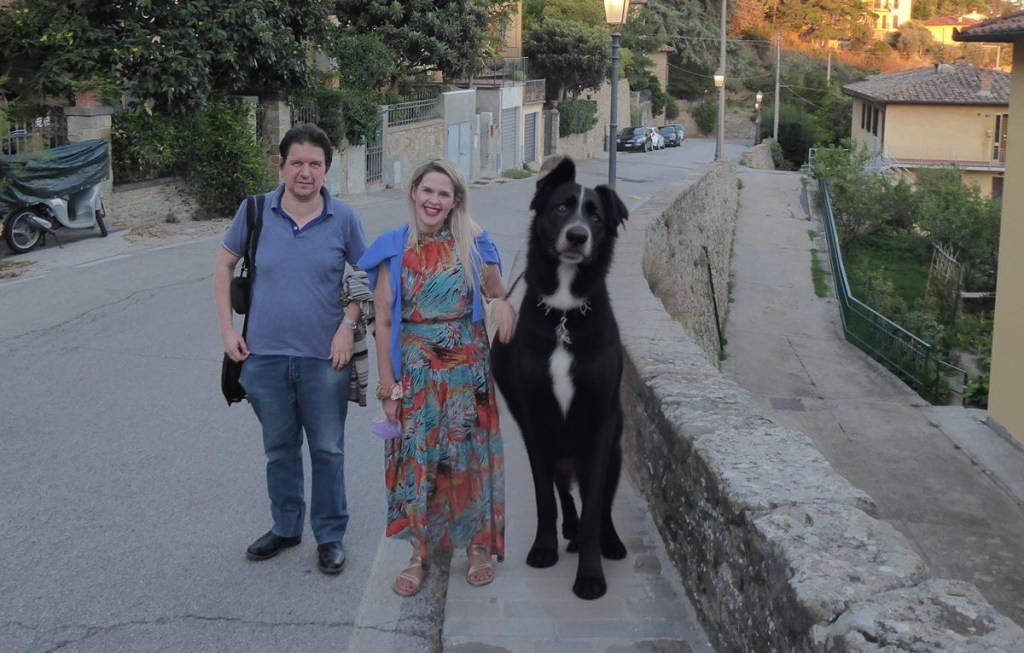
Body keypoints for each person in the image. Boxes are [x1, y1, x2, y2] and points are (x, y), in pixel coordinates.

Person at [213, 123, 368, 575]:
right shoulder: (254, 211)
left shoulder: (345, 219)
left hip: (325, 360)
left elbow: (369, 274)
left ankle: (330, 534)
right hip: (263, 358)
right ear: (281, 166)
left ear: (326, 170)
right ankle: (286, 526)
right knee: (279, 449)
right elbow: (223, 267)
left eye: (315, 164)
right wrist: (227, 331)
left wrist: (347, 326)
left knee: (328, 450)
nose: (305, 172)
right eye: (297, 163)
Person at [358, 159, 516, 597]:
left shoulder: (472, 245)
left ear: (454, 202)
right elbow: (383, 323)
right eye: (427, 190)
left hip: (468, 372)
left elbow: (498, 293)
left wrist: (504, 306)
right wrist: (388, 389)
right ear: (413, 192)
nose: (433, 200)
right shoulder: (393, 248)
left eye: (444, 194)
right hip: (416, 373)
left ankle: (478, 546)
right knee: (418, 462)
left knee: (468, 457)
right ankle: (418, 553)